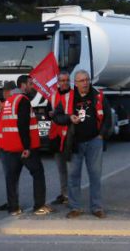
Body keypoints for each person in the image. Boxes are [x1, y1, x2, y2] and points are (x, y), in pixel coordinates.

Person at [53, 70, 113, 219]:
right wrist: (69, 118)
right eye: (81, 81)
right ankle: (75, 207)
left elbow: (108, 116)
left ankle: (97, 207)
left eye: (86, 80)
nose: (85, 83)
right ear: (76, 83)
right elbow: (57, 117)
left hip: (94, 141)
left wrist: (101, 135)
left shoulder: (98, 96)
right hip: (74, 143)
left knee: (95, 176)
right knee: (73, 177)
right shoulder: (68, 98)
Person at [0, 75, 52, 216]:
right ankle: (39, 206)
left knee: (12, 177)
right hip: (24, 147)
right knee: (38, 173)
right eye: (29, 83)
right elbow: (23, 125)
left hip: (10, 146)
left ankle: (13, 208)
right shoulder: (23, 100)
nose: (32, 86)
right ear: (22, 85)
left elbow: (2, 124)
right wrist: (27, 147)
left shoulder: (9, 101)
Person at [48, 72, 72, 206]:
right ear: (58, 82)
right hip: (55, 136)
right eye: (62, 80)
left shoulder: (74, 95)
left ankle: (72, 195)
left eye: (67, 80)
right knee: (61, 168)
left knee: (72, 168)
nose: (65, 83)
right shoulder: (52, 96)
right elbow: (46, 114)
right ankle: (64, 194)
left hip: (69, 136)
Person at [0, 80, 17, 212]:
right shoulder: (3, 105)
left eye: (6, 90)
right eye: (4, 90)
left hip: (11, 145)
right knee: (7, 175)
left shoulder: (13, 104)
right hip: (2, 144)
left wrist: (2, 109)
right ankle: (10, 201)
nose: (4, 93)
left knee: (11, 175)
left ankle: (14, 203)